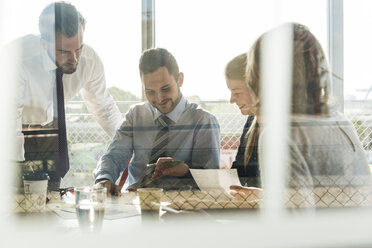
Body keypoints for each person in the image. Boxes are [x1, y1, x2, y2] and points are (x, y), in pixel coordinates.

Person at [226, 22, 370, 205]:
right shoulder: (340, 122)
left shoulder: (281, 133)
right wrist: (266, 198)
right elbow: (317, 200)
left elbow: (291, 223)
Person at [3, 2, 123, 187]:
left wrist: (128, 145)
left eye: (78, 48)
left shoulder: (89, 61)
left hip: (51, 136)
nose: (74, 59)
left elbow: (104, 107)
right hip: (13, 132)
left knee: (51, 200)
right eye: (64, 51)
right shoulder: (17, 57)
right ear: (44, 44)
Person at [94, 48, 220, 195]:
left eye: (165, 89)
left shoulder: (204, 121)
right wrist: (103, 178)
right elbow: (115, 155)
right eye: (150, 92)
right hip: (136, 201)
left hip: (183, 207)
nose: (159, 99)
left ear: (180, 79)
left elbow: (211, 181)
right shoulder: (136, 115)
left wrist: (186, 171)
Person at [225, 53, 260, 187]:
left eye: (237, 93)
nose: (231, 100)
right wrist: (186, 173)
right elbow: (239, 171)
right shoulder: (252, 120)